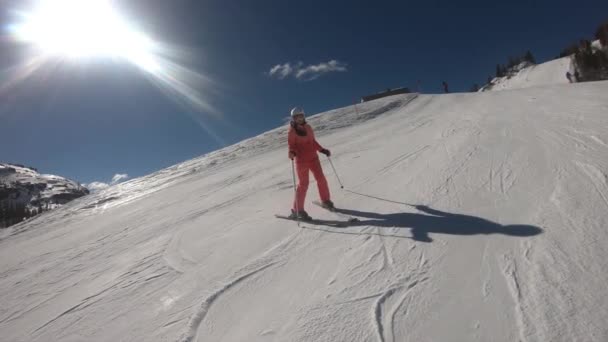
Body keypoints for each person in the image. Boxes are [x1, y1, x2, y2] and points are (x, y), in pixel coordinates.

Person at [287, 107, 334, 220]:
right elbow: (291, 145)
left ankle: (325, 200)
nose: (299, 119)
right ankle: (298, 210)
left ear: (304, 116)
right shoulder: (292, 131)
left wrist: (322, 150)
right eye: (297, 117)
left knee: (321, 179)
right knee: (303, 184)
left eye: (301, 116)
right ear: (293, 118)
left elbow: (313, 142)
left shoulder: (308, 127)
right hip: (301, 161)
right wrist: (292, 152)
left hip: (314, 159)